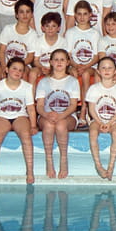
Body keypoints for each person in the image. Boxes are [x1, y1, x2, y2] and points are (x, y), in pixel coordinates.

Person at [0, 57, 37, 188]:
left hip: (20, 116)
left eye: (20, 70)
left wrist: (33, 125)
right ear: (7, 70)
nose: (17, 72)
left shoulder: (27, 87)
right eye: (14, 69)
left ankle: (30, 171)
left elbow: (31, 108)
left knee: (26, 136)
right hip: (2, 116)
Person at [36, 48, 80, 179]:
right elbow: (39, 106)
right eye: (56, 59)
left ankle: (63, 159)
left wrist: (61, 115)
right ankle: (49, 160)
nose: (59, 62)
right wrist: (47, 115)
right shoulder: (43, 81)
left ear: (67, 62)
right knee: (49, 125)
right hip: (46, 115)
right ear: (50, 62)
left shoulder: (73, 81)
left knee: (61, 125)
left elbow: (73, 105)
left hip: (67, 116)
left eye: (62, 59)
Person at [85, 56, 116, 179]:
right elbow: (91, 109)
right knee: (93, 132)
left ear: (115, 71)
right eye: (103, 68)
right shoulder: (93, 88)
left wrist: (110, 122)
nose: (106, 70)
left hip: (114, 119)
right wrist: (100, 122)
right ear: (98, 71)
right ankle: (98, 164)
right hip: (96, 118)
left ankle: (111, 165)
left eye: (110, 68)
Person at [65, 0, 100, 96]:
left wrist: (85, 66)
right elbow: (68, 55)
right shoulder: (70, 32)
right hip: (73, 65)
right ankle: (73, 102)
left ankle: (86, 103)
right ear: (75, 15)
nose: (82, 17)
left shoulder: (95, 34)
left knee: (85, 74)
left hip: (90, 66)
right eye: (79, 14)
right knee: (73, 74)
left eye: (85, 14)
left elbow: (96, 56)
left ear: (90, 15)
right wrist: (76, 66)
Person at [0, 0, 36, 76]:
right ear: (16, 15)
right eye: (21, 12)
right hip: (6, 63)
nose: (25, 15)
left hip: (24, 64)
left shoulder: (33, 34)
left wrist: (16, 67)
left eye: (28, 12)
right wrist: (4, 67)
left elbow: (30, 57)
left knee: (23, 74)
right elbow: (2, 51)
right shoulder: (8, 29)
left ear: (32, 14)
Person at [29, 11, 67, 85]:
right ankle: (31, 92)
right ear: (42, 28)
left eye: (53, 26)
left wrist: (53, 69)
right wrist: (42, 67)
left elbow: (64, 60)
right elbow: (36, 60)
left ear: (59, 28)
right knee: (33, 73)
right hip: (42, 67)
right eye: (47, 26)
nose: (50, 29)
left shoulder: (63, 41)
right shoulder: (38, 41)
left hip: (57, 67)